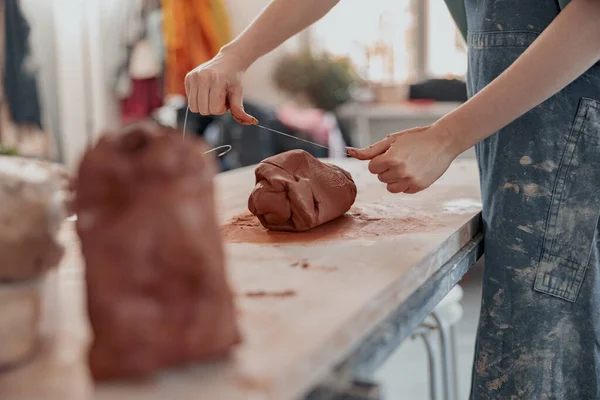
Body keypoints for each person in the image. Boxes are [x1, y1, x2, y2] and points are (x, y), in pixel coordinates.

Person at [185, 0, 600, 398]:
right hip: (523, 135)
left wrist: (446, 137)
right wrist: (233, 55)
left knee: (552, 340)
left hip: (575, 132)